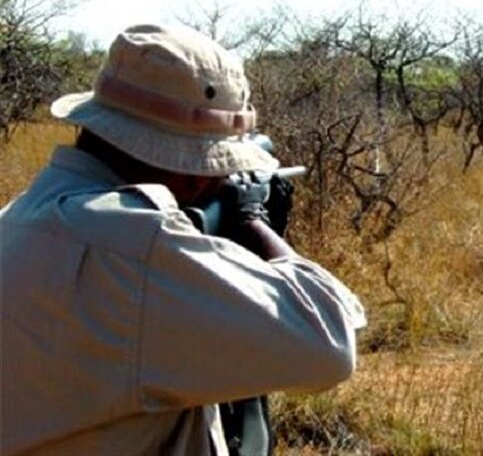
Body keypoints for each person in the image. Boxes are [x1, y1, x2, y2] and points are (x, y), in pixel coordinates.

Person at [0, 24, 367, 455]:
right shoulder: (136, 243)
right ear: (193, 175)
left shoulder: (19, 217)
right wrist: (252, 221)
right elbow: (329, 345)